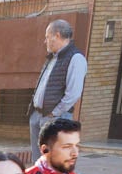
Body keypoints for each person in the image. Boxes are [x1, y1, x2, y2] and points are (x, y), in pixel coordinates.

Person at [28, 20, 87, 159]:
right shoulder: (52, 57)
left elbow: (73, 93)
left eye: (48, 37)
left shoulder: (76, 58)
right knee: (38, 161)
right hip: (38, 115)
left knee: (53, 161)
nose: (45, 41)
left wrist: (54, 113)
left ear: (57, 35)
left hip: (54, 117)